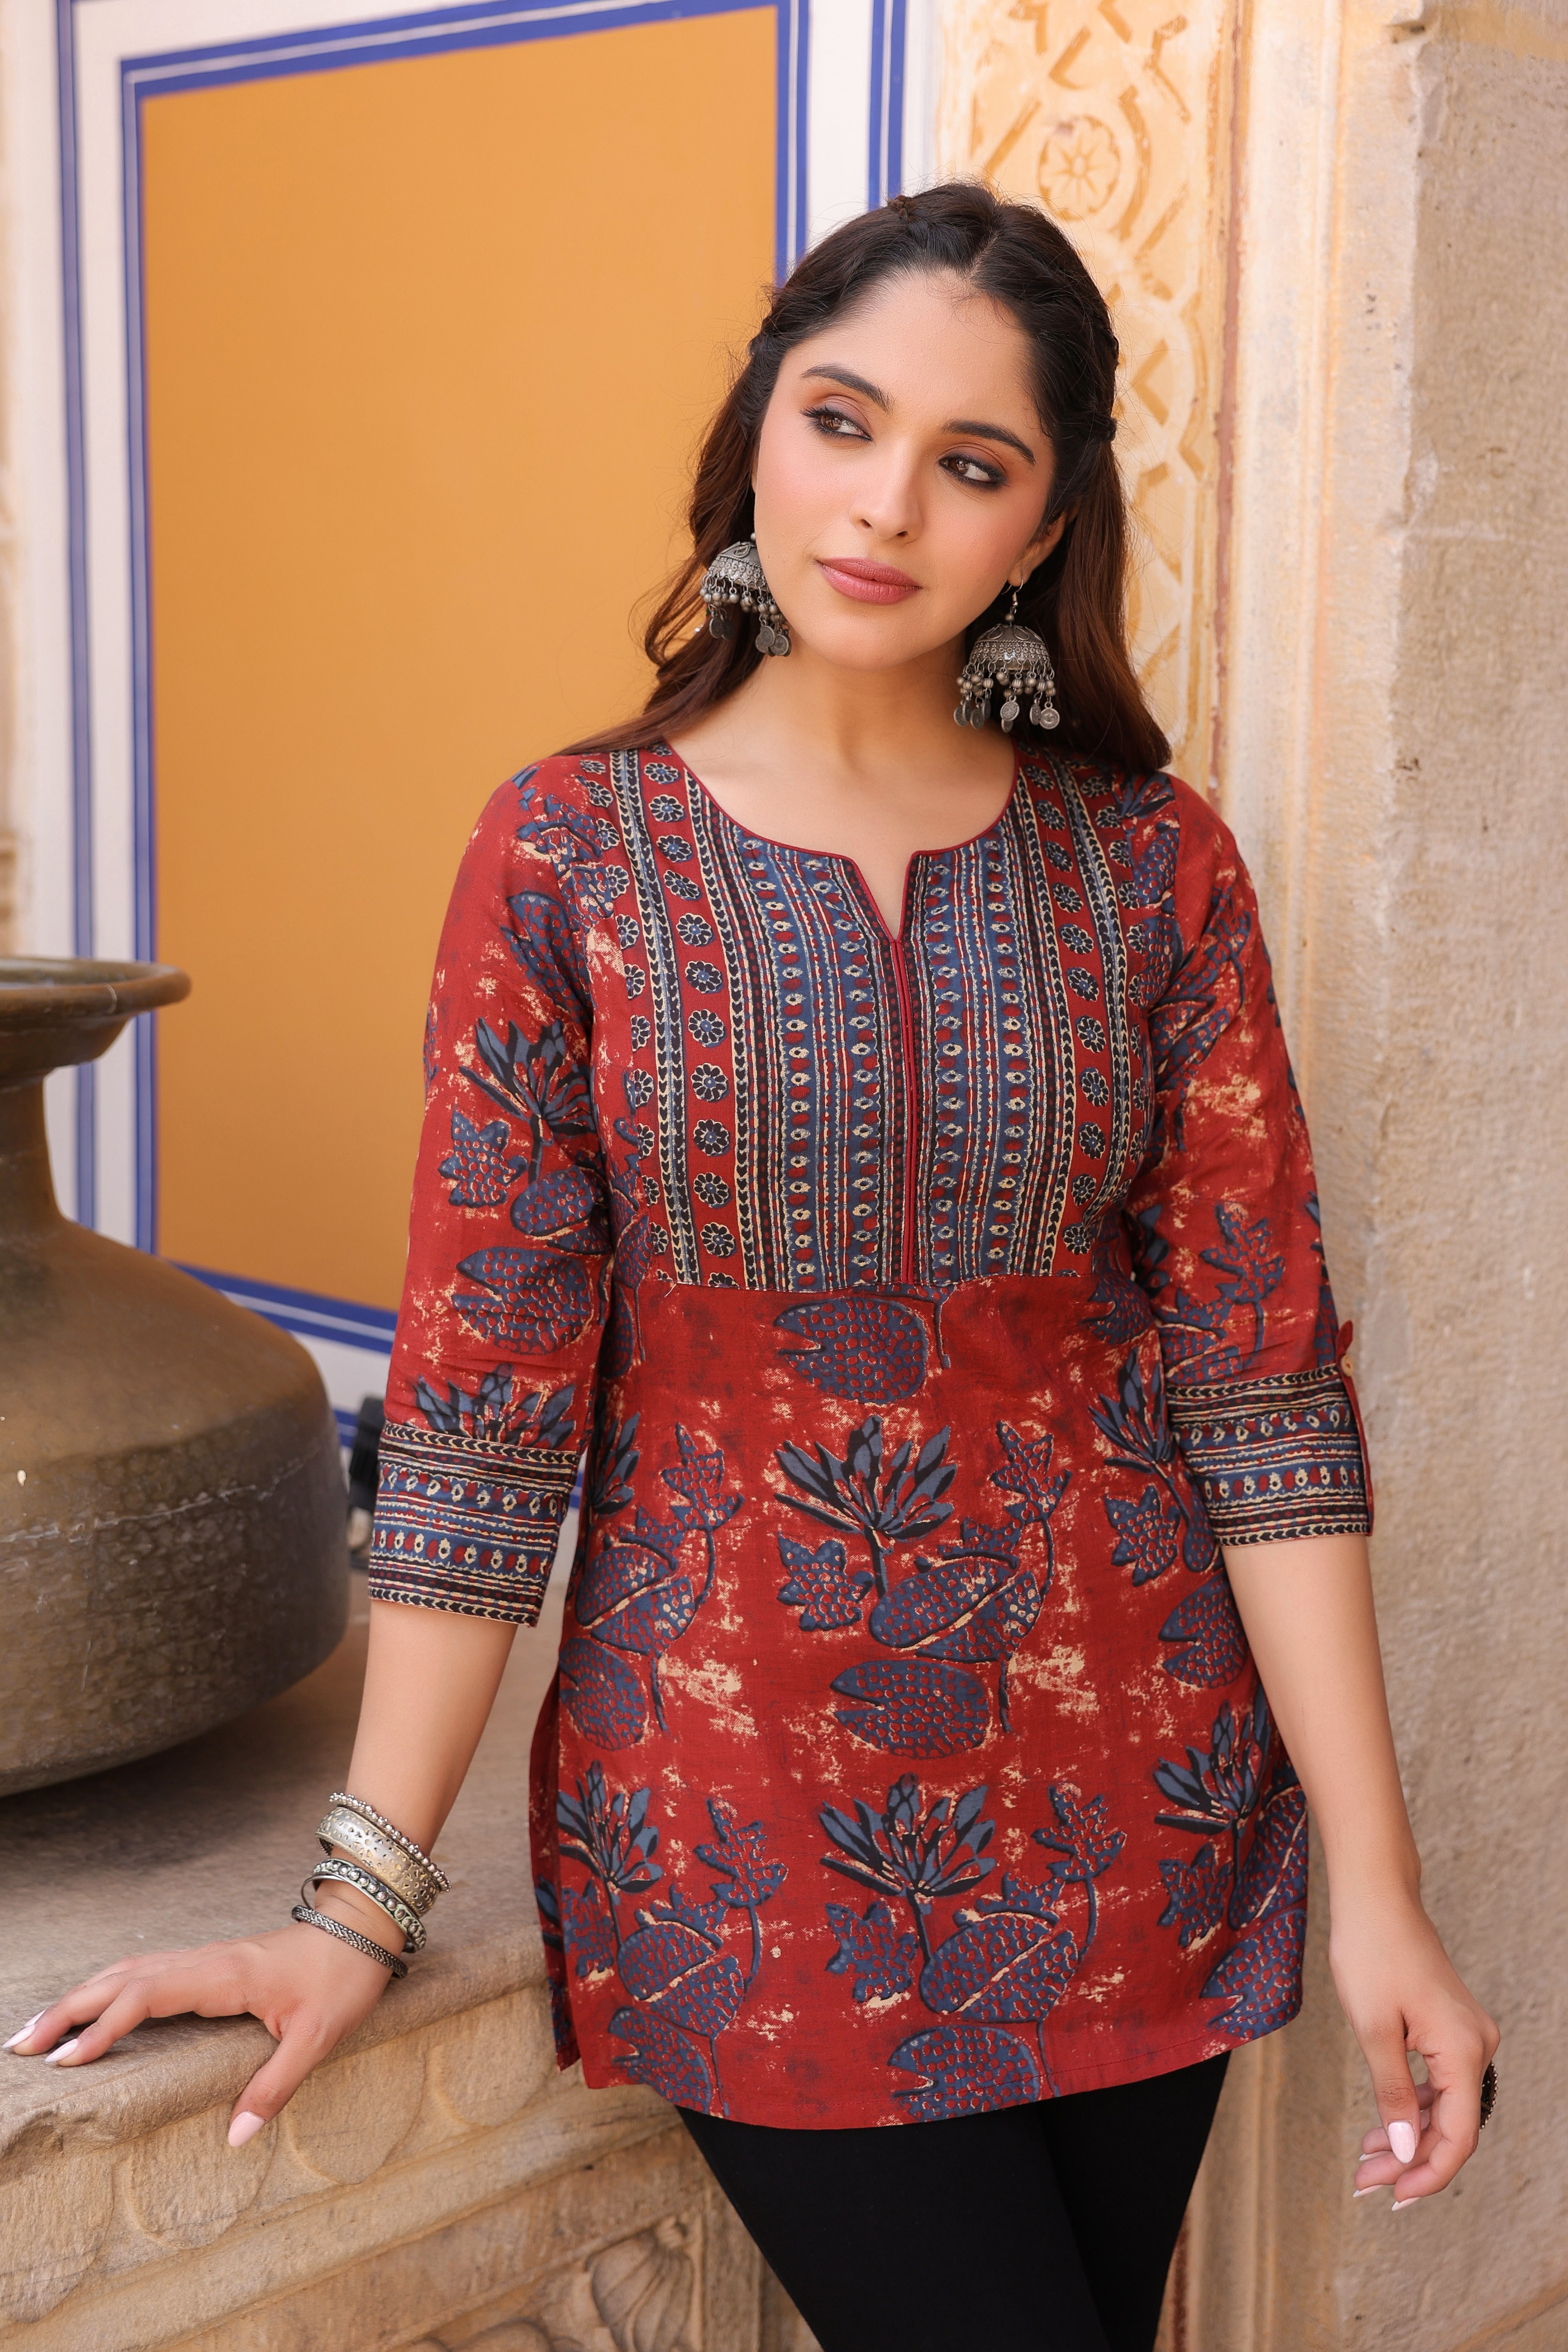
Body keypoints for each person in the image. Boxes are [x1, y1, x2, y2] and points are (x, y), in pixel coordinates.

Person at [6, 185, 1498, 2352]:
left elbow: (1260, 1392)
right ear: (757, 437)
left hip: (1146, 1803)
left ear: (1043, 526)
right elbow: (484, 1416)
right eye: (843, 420)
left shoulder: (1154, 867)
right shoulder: (567, 858)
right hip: (744, 1835)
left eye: (971, 462)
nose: (885, 505)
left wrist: (1383, 1889)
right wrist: (354, 1904)